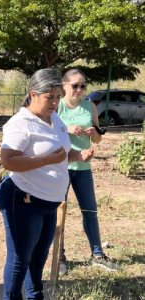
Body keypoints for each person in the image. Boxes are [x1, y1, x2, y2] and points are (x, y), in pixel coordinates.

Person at [0, 68, 94, 300]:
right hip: (23, 200)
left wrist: (78, 156)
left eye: (58, 97)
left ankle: (34, 296)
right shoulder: (20, 123)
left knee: (39, 256)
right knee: (20, 257)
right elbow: (8, 160)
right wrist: (46, 160)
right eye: (49, 97)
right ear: (33, 94)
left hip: (49, 203)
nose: (55, 102)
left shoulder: (55, 119)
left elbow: (62, 153)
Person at [57, 68, 118, 274]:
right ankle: (60, 256)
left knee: (90, 211)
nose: (79, 89)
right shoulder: (56, 106)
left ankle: (98, 254)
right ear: (64, 85)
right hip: (61, 167)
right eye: (75, 85)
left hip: (83, 168)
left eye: (83, 85)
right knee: (59, 212)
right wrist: (66, 128)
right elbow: (47, 132)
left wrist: (94, 133)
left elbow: (98, 138)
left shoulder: (89, 106)